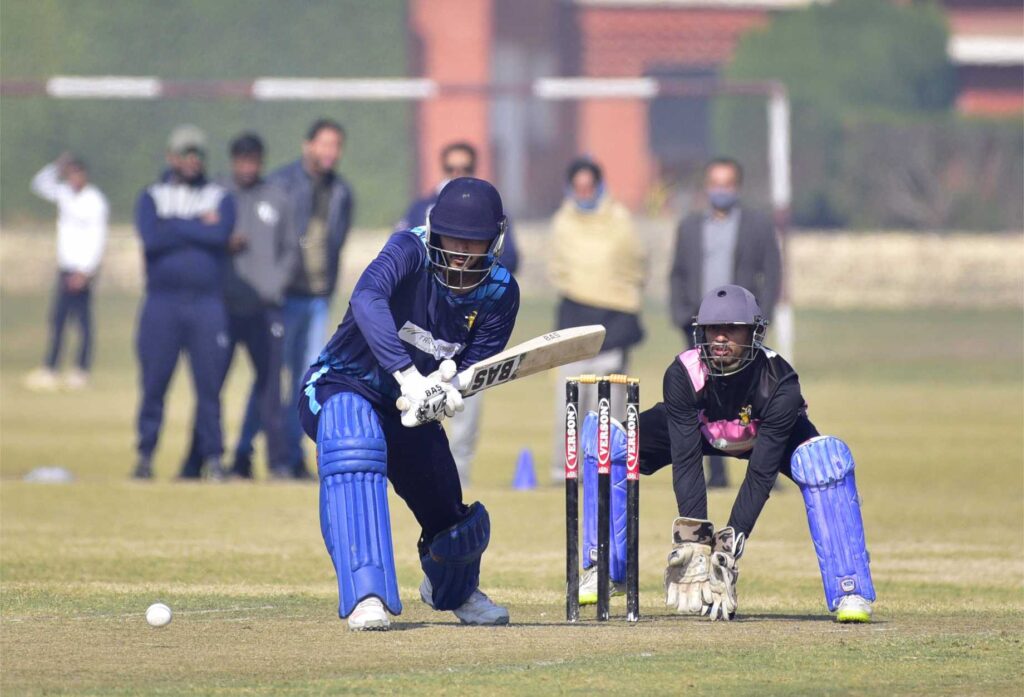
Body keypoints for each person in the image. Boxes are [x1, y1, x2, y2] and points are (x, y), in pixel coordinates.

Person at [577, 285, 874, 623]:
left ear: (753, 333)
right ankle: (605, 568)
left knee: (825, 464)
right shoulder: (682, 375)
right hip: (702, 430)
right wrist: (696, 541)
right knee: (608, 441)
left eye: (732, 329)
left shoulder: (780, 384)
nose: (719, 338)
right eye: (712, 329)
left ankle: (850, 588)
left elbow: (762, 473)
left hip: (765, 436)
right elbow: (688, 461)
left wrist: (727, 547)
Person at [298, 177, 518, 630]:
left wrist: (447, 390)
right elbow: (367, 297)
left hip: (410, 408)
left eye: (473, 242)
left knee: (451, 518)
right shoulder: (409, 250)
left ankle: (455, 591)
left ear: (492, 241)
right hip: (343, 383)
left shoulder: (500, 293)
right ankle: (367, 596)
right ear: (434, 228)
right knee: (352, 439)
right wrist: (406, 374)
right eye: (452, 238)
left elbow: (473, 366)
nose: (460, 250)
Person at [396, 141, 520, 486]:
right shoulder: (423, 207)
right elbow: (405, 268)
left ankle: (458, 484)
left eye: (464, 167)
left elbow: (509, 261)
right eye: (451, 169)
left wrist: (474, 288)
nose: (457, 174)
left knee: (461, 412)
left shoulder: (490, 212)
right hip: (420, 335)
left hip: (466, 334)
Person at [180, 133, 299, 479]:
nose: (247, 167)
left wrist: (275, 285)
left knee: (270, 388)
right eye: (242, 160)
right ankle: (195, 462)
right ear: (233, 161)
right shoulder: (215, 195)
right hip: (222, 307)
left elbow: (293, 248)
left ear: (261, 162)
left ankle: (277, 464)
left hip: (265, 309)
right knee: (210, 387)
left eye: (253, 161)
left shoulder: (277, 198)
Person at [670, 157, 781, 488]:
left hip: (743, 329)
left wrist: (764, 316)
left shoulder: (757, 226)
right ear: (707, 186)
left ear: (738, 187)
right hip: (701, 328)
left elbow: (773, 272)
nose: (721, 189)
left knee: (754, 399)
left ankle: (764, 469)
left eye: (727, 183)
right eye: (715, 183)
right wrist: (680, 313)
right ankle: (714, 472)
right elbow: (677, 273)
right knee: (705, 401)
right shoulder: (689, 227)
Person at [132, 125, 236, 481]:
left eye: (198, 154)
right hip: (162, 304)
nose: (193, 161)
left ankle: (214, 459)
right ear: (171, 157)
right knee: (154, 384)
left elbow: (220, 235)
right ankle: (145, 455)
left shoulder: (218, 195)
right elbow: (150, 238)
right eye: (185, 154)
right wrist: (195, 226)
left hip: (207, 305)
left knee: (209, 388)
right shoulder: (152, 196)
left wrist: (173, 225)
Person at [266, 118, 354, 480]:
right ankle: (249, 452)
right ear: (308, 145)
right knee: (271, 378)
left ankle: (293, 456)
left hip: (317, 299)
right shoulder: (281, 184)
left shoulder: (342, 192)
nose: (330, 152)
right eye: (324, 144)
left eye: (336, 145)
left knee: (307, 381)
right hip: (283, 298)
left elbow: (336, 243)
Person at [548, 157, 646, 483]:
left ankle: (612, 466)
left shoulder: (620, 221)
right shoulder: (562, 223)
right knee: (571, 402)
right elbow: (560, 270)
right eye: (578, 188)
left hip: (614, 323)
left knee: (612, 405)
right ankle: (566, 469)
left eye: (589, 187)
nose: (584, 193)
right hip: (574, 321)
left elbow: (635, 265)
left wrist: (614, 294)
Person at [24, 154, 108, 391]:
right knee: (58, 320)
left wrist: (86, 271)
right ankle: (51, 368)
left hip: (83, 270)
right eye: (70, 174)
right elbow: (39, 184)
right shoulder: (65, 195)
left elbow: (98, 238)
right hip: (65, 266)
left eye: (77, 173)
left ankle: (81, 370)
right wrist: (56, 166)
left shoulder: (95, 201)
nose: (73, 178)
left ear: (85, 175)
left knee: (83, 321)